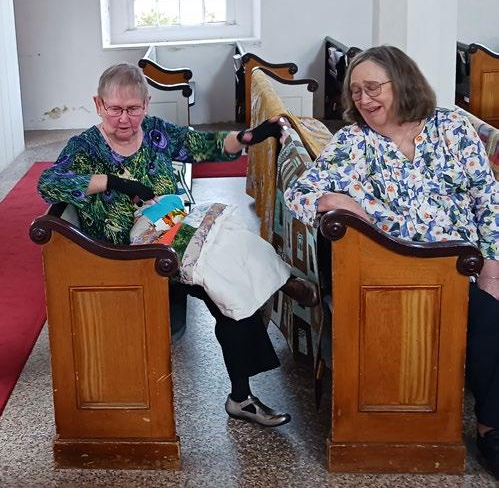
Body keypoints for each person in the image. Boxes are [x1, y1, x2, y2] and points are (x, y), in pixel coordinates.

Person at [38, 63, 318, 428]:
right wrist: (113, 183)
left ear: (146, 104)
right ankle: (282, 287)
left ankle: (242, 393)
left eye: (133, 109)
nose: (124, 119)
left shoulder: (154, 132)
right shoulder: (85, 147)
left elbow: (204, 146)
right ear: (98, 104)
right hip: (135, 255)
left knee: (233, 270)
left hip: (177, 235)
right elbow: (49, 183)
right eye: (115, 109)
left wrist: (250, 136)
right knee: (228, 277)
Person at [284, 45, 499, 477]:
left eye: (373, 88)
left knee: (488, 308)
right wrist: (337, 200)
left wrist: (492, 270)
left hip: (466, 263)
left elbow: (487, 199)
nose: (363, 99)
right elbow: (298, 192)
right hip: (396, 269)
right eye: (355, 91)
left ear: (402, 82)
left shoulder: (451, 127)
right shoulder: (354, 143)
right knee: (487, 319)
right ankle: (490, 428)